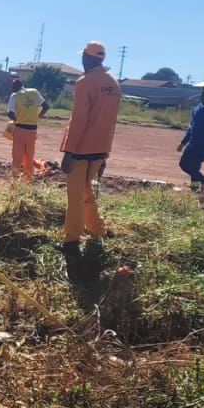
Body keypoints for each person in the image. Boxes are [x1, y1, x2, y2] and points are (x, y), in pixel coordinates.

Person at [59, 40, 122, 278]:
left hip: (81, 150)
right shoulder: (113, 83)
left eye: (83, 57)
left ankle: (72, 241)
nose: (81, 61)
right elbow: (111, 122)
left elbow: (78, 120)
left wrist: (68, 152)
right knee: (85, 192)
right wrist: (106, 152)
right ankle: (97, 230)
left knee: (75, 197)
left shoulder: (85, 83)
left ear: (88, 58)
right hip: (98, 150)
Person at [178, 83, 204, 192]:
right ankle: (203, 181)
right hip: (192, 142)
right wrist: (183, 143)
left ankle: (195, 189)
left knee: (194, 167)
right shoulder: (196, 109)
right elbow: (191, 127)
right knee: (183, 164)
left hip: (203, 144)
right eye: (202, 94)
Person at [6, 76, 49, 181]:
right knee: (29, 158)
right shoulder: (34, 92)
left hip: (20, 129)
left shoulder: (14, 96)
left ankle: (15, 181)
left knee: (17, 158)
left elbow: (10, 113)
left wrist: (15, 119)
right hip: (32, 130)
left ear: (14, 87)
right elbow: (46, 106)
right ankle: (27, 180)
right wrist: (37, 117)